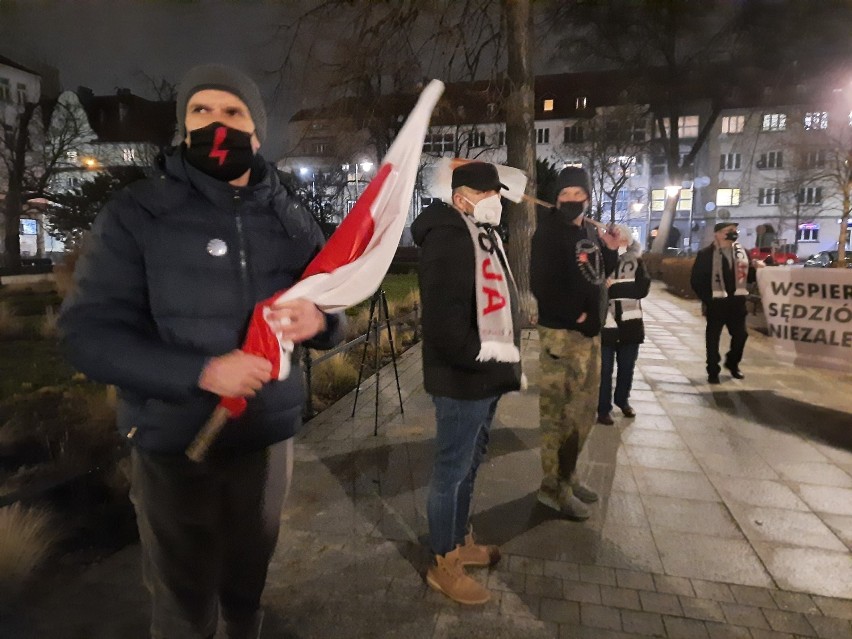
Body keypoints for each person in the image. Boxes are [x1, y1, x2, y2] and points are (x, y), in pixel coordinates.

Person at [58, 64, 344, 639]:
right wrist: (202, 372)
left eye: (233, 113)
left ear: (257, 134)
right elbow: (86, 334)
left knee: (247, 584)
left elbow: (333, 301)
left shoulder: (289, 215)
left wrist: (323, 321)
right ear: (182, 130)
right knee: (184, 598)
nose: (217, 124)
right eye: (201, 112)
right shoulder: (135, 214)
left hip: (266, 441)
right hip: (174, 445)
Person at [411, 161, 522, 605]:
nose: (497, 200)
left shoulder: (480, 236)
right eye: (489, 192)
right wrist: (486, 360)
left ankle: (459, 540)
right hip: (463, 379)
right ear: (462, 199)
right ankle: (443, 562)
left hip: (484, 376)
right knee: (450, 473)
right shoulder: (449, 240)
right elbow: (444, 327)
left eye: (498, 192)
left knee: (469, 467)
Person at [530, 166, 620, 521]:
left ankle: (569, 476)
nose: (570, 201)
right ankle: (553, 489)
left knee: (584, 414)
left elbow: (596, 274)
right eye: (564, 195)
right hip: (563, 337)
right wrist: (577, 317)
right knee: (559, 417)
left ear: (587, 197)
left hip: (589, 337)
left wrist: (610, 251)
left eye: (576, 195)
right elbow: (542, 285)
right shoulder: (547, 233)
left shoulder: (586, 230)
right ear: (556, 198)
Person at [690, 221, 761, 384]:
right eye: (729, 230)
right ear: (718, 233)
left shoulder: (743, 253)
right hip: (716, 304)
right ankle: (713, 370)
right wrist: (708, 299)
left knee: (741, 335)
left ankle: (733, 363)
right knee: (713, 338)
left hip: (737, 304)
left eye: (735, 230)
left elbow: (750, 277)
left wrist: (758, 269)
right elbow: (696, 280)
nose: (733, 233)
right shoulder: (706, 254)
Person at [596, 224, 651, 425]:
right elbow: (597, 287)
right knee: (604, 371)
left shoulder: (637, 262)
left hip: (631, 324)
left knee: (627, 368)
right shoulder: (601, 260)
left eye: (621, 239)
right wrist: (613, 288)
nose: (618, 242)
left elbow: (642, 289)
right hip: (606, 324)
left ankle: (622, 401)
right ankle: (603, 409)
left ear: (627, 241)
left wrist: (614, 287)